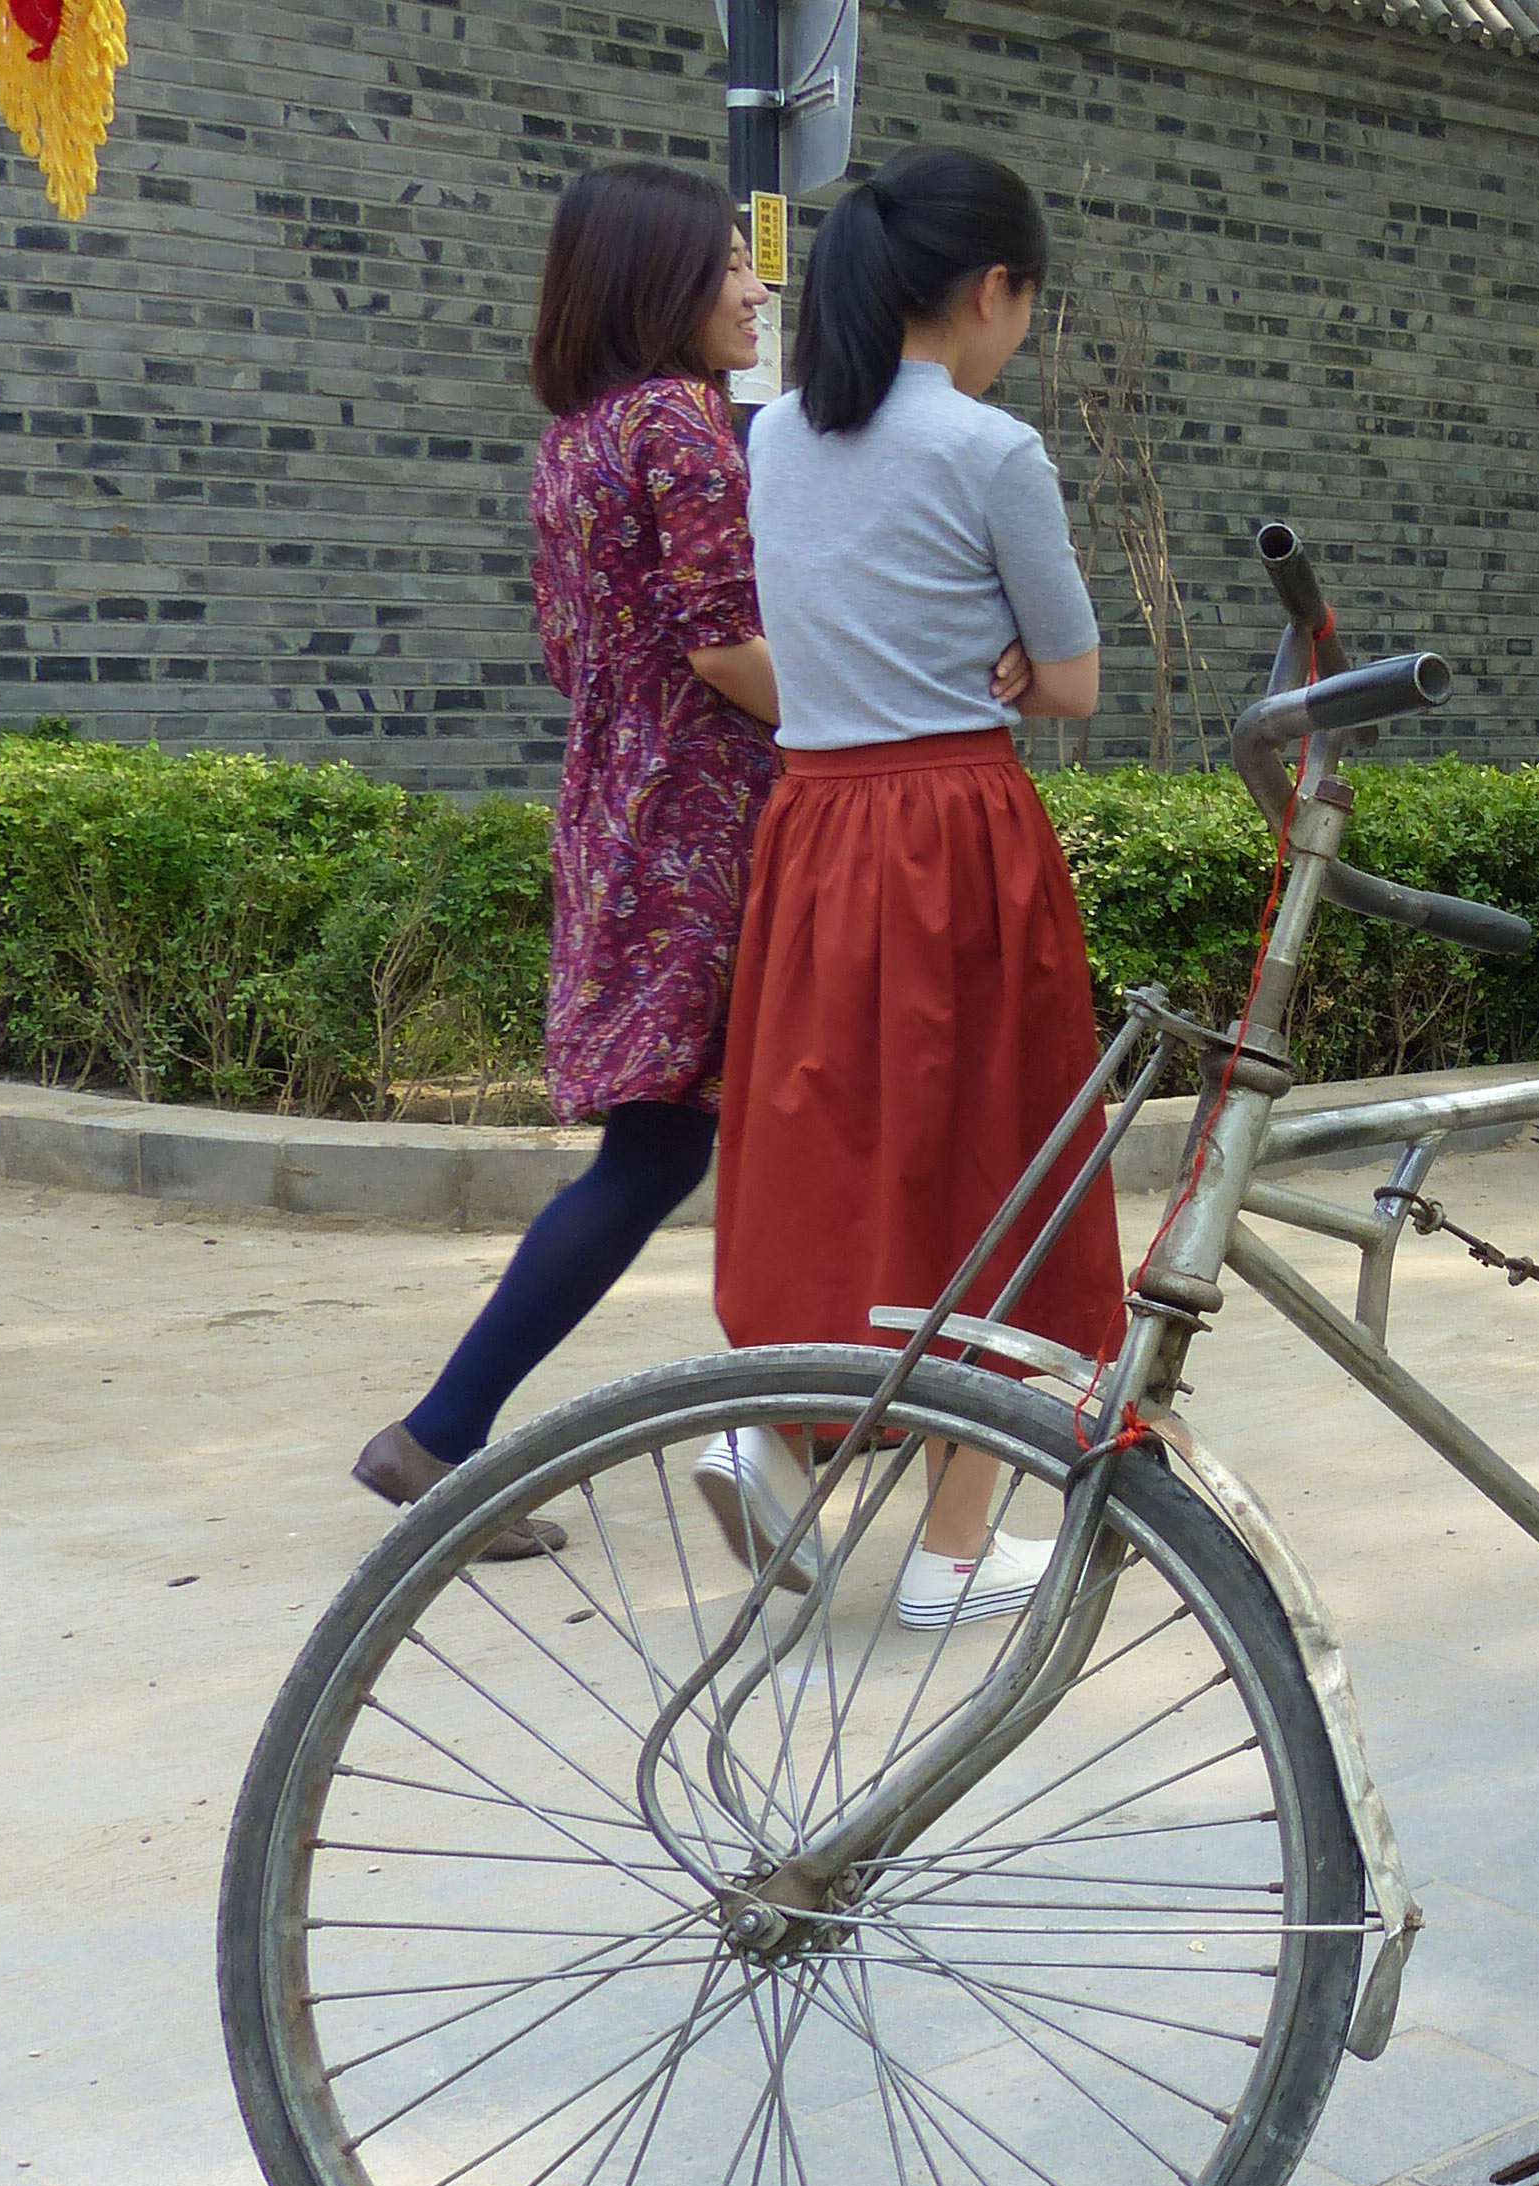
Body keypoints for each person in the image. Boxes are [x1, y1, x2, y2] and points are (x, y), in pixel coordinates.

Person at [349, 162, 779, 1563]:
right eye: (725, 266)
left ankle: (447, 1435)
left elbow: (575, 654)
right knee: (704, 1141)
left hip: (618, 809)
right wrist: (877, 715)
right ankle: (459, 1433)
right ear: (659, 281)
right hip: (708, 826)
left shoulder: (576, 438)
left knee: (661, 1149)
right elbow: (728, 648)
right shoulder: (680, 427)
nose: (753, 285)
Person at [720, 147, 1121, 1628]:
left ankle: (767, 1428)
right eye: (1029, 302)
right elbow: (1071, 684)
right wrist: (1013, 658)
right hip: (955, 830)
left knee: (824, 1148)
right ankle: (954, 1552)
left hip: (814, 826)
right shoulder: (988, 451)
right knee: (996, 1168)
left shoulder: (773, 442)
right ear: (991, 291)